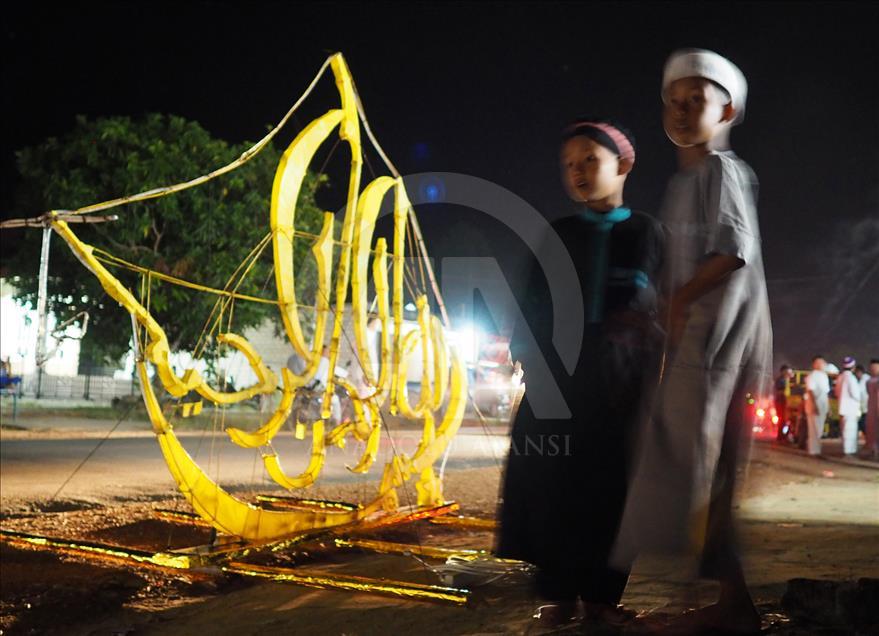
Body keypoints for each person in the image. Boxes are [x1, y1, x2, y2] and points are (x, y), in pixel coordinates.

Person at [612, 49, 772, 634]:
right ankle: (730, 603)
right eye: (673, 102)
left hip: (721, 351)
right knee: (697, 471)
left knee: (709, 472)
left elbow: (733, 252)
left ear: (726, 109)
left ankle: (729, 608)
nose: (681, 112)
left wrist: (677, 303)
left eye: (696, 102)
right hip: (694, 353)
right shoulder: (685, 182)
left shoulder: (723, 172)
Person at [496, 116, 664, 625]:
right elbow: (528, 302)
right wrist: (530, 356)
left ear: (623, 164)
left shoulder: (647, 233)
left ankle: (602, 598)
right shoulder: (556, 234)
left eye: (591, 159)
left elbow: (667, 306)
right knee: (550, 479)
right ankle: (559, 591)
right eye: (570, 164)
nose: (579, 172)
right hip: (558, 375)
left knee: (611, 484)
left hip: (619, 382)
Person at [804, 355, 830, 456]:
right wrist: (814, 405)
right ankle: (813, 451)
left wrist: (828, 408)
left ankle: (817, 450)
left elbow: (826, 393)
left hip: (822, 406)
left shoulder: (824, 376)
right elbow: (810, 391)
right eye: (820, 362)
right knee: (814, 429)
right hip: (814, 406)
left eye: (823, 362)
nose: (823, 364)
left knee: (819, 429)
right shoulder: (812, 376)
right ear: (815, 364)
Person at [836, 356, 862, 455]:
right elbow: (856, 394)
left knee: (844, 431)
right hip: (850, 409)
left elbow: (836, 392)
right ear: (853, 367)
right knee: (850, 431)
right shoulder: (851, 378)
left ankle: (846, 450)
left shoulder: (840, 377)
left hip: (842, 408)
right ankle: (848, 452)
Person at [773, 364, 793, 441]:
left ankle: (783, 435)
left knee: (785, 420)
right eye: (786, 371)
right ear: (782, 372)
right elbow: (780, 391)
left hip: (784, 401)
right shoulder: (780, 380)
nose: (788, 373)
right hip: (780, 401)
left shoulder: (787, 380)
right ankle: (781, 436)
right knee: (782, 419)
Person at [864, 359, 879, 460]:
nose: (873, 369)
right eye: (872, 367)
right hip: (871, 409)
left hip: (876, 408)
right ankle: (873, 450)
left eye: (876, 367)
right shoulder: (869, 381)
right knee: (872, 431)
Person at [854, 364, 870, 435]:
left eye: (857, 372)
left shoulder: (865, 379)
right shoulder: (863, 379)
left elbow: (859, 391)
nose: (856, 375)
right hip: (863, 406)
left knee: (863, 424)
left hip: (866, 406)